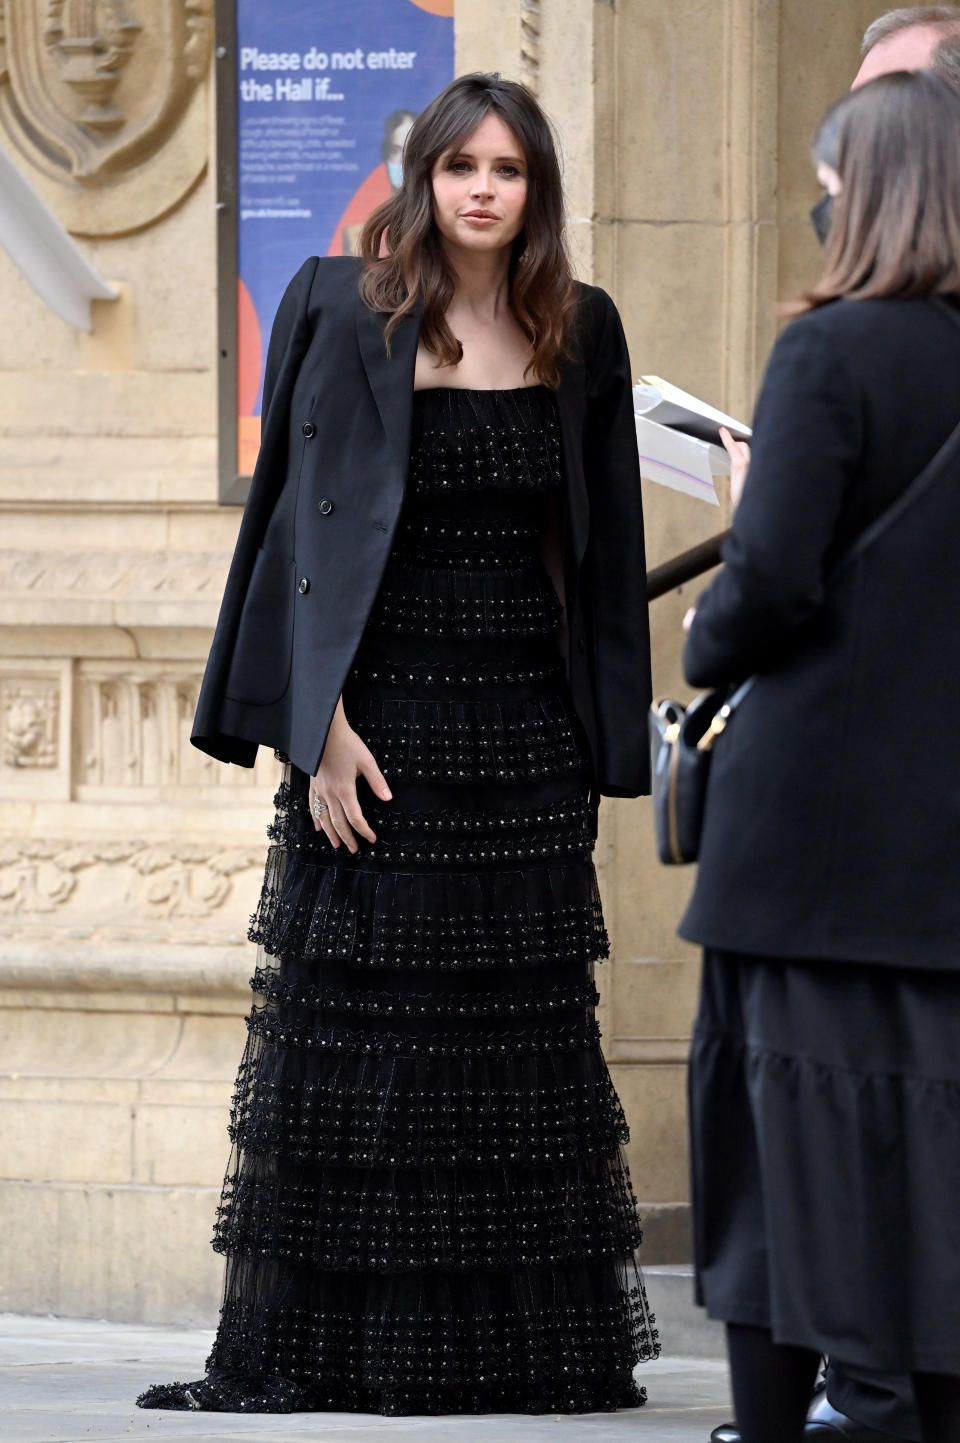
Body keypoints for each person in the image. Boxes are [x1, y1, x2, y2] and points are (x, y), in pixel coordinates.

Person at [136, 72, 659, 1416]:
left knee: (512, 1052)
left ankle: (519, 1356)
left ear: (538, 192)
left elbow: (599, 557)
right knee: (365, 1044)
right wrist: (316, 732)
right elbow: (293, 537)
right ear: (423, 180)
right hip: (378, 727)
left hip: (520, 734)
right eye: (461, 167)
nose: (483, 190)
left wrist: (598, 749)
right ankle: (332, 1355)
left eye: (511, 171)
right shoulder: (336, 308)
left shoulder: (580, 331)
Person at [683, 70, 960, 1443]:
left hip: (808, 840)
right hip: (938, 850)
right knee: (927, 1155)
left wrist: (709, 605)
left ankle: (818, 1412)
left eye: (832, 189)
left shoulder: (830, 354)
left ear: (872, 195)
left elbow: (772, 584)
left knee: (780, 1161)